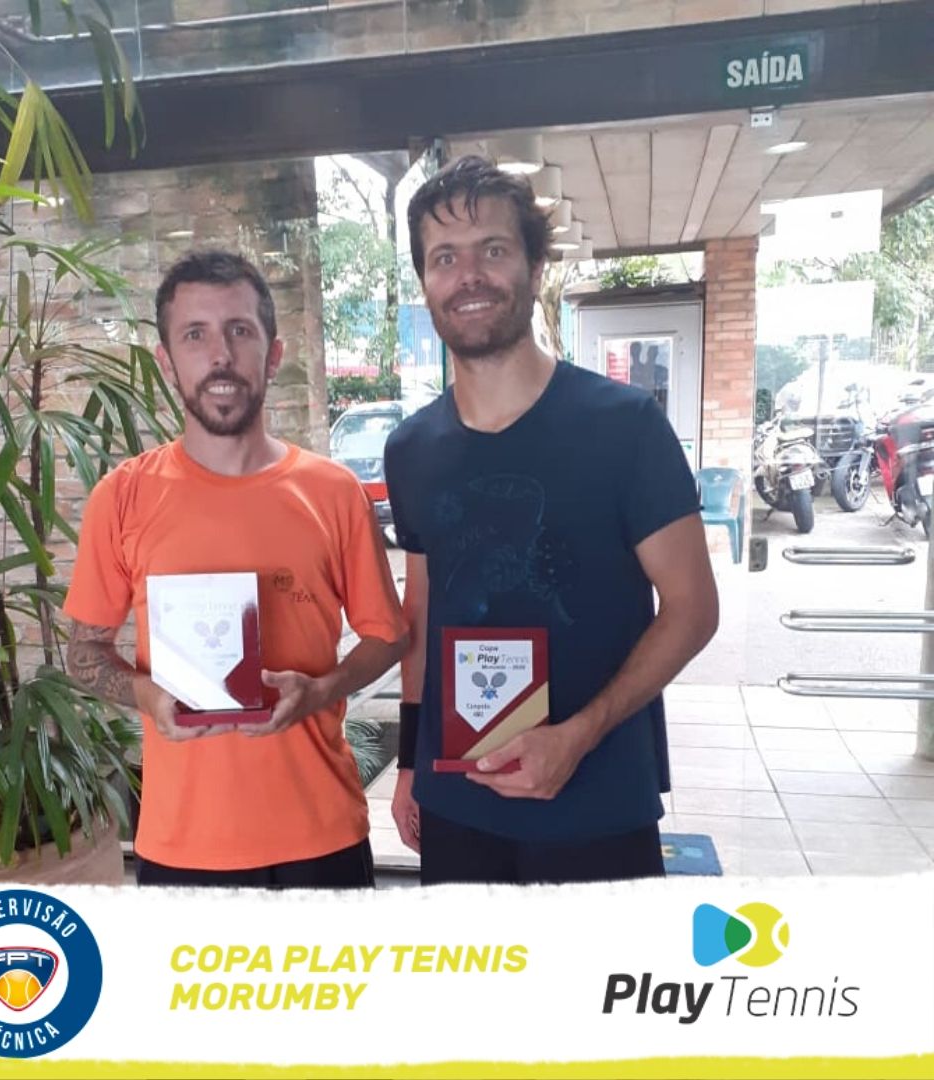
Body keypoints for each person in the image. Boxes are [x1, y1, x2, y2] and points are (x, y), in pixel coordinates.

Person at [384, 156, 719, 885]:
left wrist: (578, 736)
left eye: (492, 250)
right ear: (426, 282)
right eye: (445, 258)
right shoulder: (411, 449)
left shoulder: (625, 426)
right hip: (459, 801)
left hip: (596, 800)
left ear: (535, 269)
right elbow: (423, 614)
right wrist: (410, 763)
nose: (468, 276)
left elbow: (693, 609)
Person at [64, 249, 407, 889]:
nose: (219, 355)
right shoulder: (123, 497)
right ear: (167, 361)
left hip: (321, 835)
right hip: (183, 845)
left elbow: (389, 636)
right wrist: (147, 695)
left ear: (272, 355)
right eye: (195, 334)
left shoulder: (333, 492)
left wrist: (322, 689)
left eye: (239, 331)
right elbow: (83, 653)